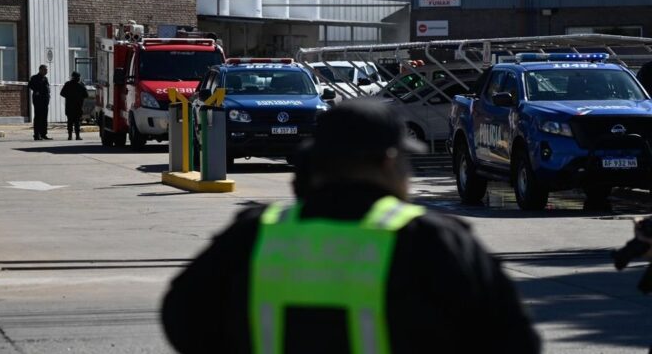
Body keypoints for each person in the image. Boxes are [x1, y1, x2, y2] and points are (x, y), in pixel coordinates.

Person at [162, 98, 541, 353]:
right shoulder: (430, 241)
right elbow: (514, 340)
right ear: (389, 161)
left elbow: (180, 316)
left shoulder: (257, 233)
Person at [60, 71, 88, 140]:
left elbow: (62, 93)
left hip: (70, 105)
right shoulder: (81, 85)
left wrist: (69, 97)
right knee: (77, 122)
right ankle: (77, 136)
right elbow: (86, 95)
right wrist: (79, 97)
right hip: (78, 106)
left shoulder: (68, 84)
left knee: (70, 121)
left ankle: (70, 136)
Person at [27, 64, 51, 140]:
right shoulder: (34, 78)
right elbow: (30, 85)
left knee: (44, 117)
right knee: (38, 117)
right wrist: (36, 90)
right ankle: (37, 134)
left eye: (46, 70)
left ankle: (44, 134)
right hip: (38, 100)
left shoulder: (45, 78)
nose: (46, 71)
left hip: (45, 100)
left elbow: (47, 88)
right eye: (45, 69)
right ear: (40, 70)